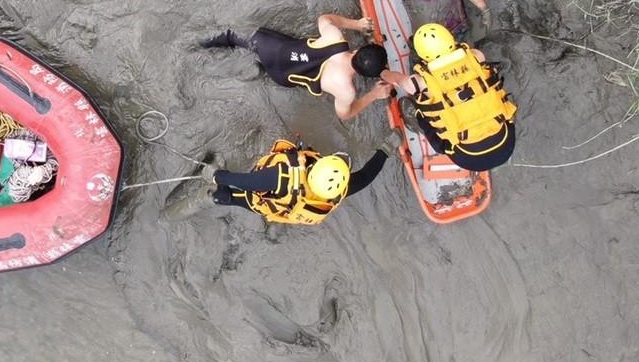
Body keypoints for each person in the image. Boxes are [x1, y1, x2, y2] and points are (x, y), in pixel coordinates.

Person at [201, 13, 392, 120]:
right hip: (283, 78)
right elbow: (345, 114)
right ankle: (260, 70)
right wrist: (374, 95)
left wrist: (357, 24)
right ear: (365, 75)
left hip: (275, 50)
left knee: (231, 35)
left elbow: (325, 19)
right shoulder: (346, 90)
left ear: (358, 50)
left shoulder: (335, 38)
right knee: (283, 73)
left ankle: (197, 45)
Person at [381, 23, 517, 171]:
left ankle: (418, 123)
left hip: (470, 158)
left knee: (422, 112)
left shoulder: (418, 82)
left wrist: (382, 72)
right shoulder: (476, 56)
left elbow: (396, 79)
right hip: (506, 143)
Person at [208, 132, 401, 226]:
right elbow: (366, 176)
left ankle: (220, 197)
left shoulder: (282, 177)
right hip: (291, 207)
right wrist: (385, 149)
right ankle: (224, 196)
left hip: (269, 197)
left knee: (243, 198)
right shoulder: (337, 190)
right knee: (247, 196)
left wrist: (217, 176)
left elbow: (246, 182)